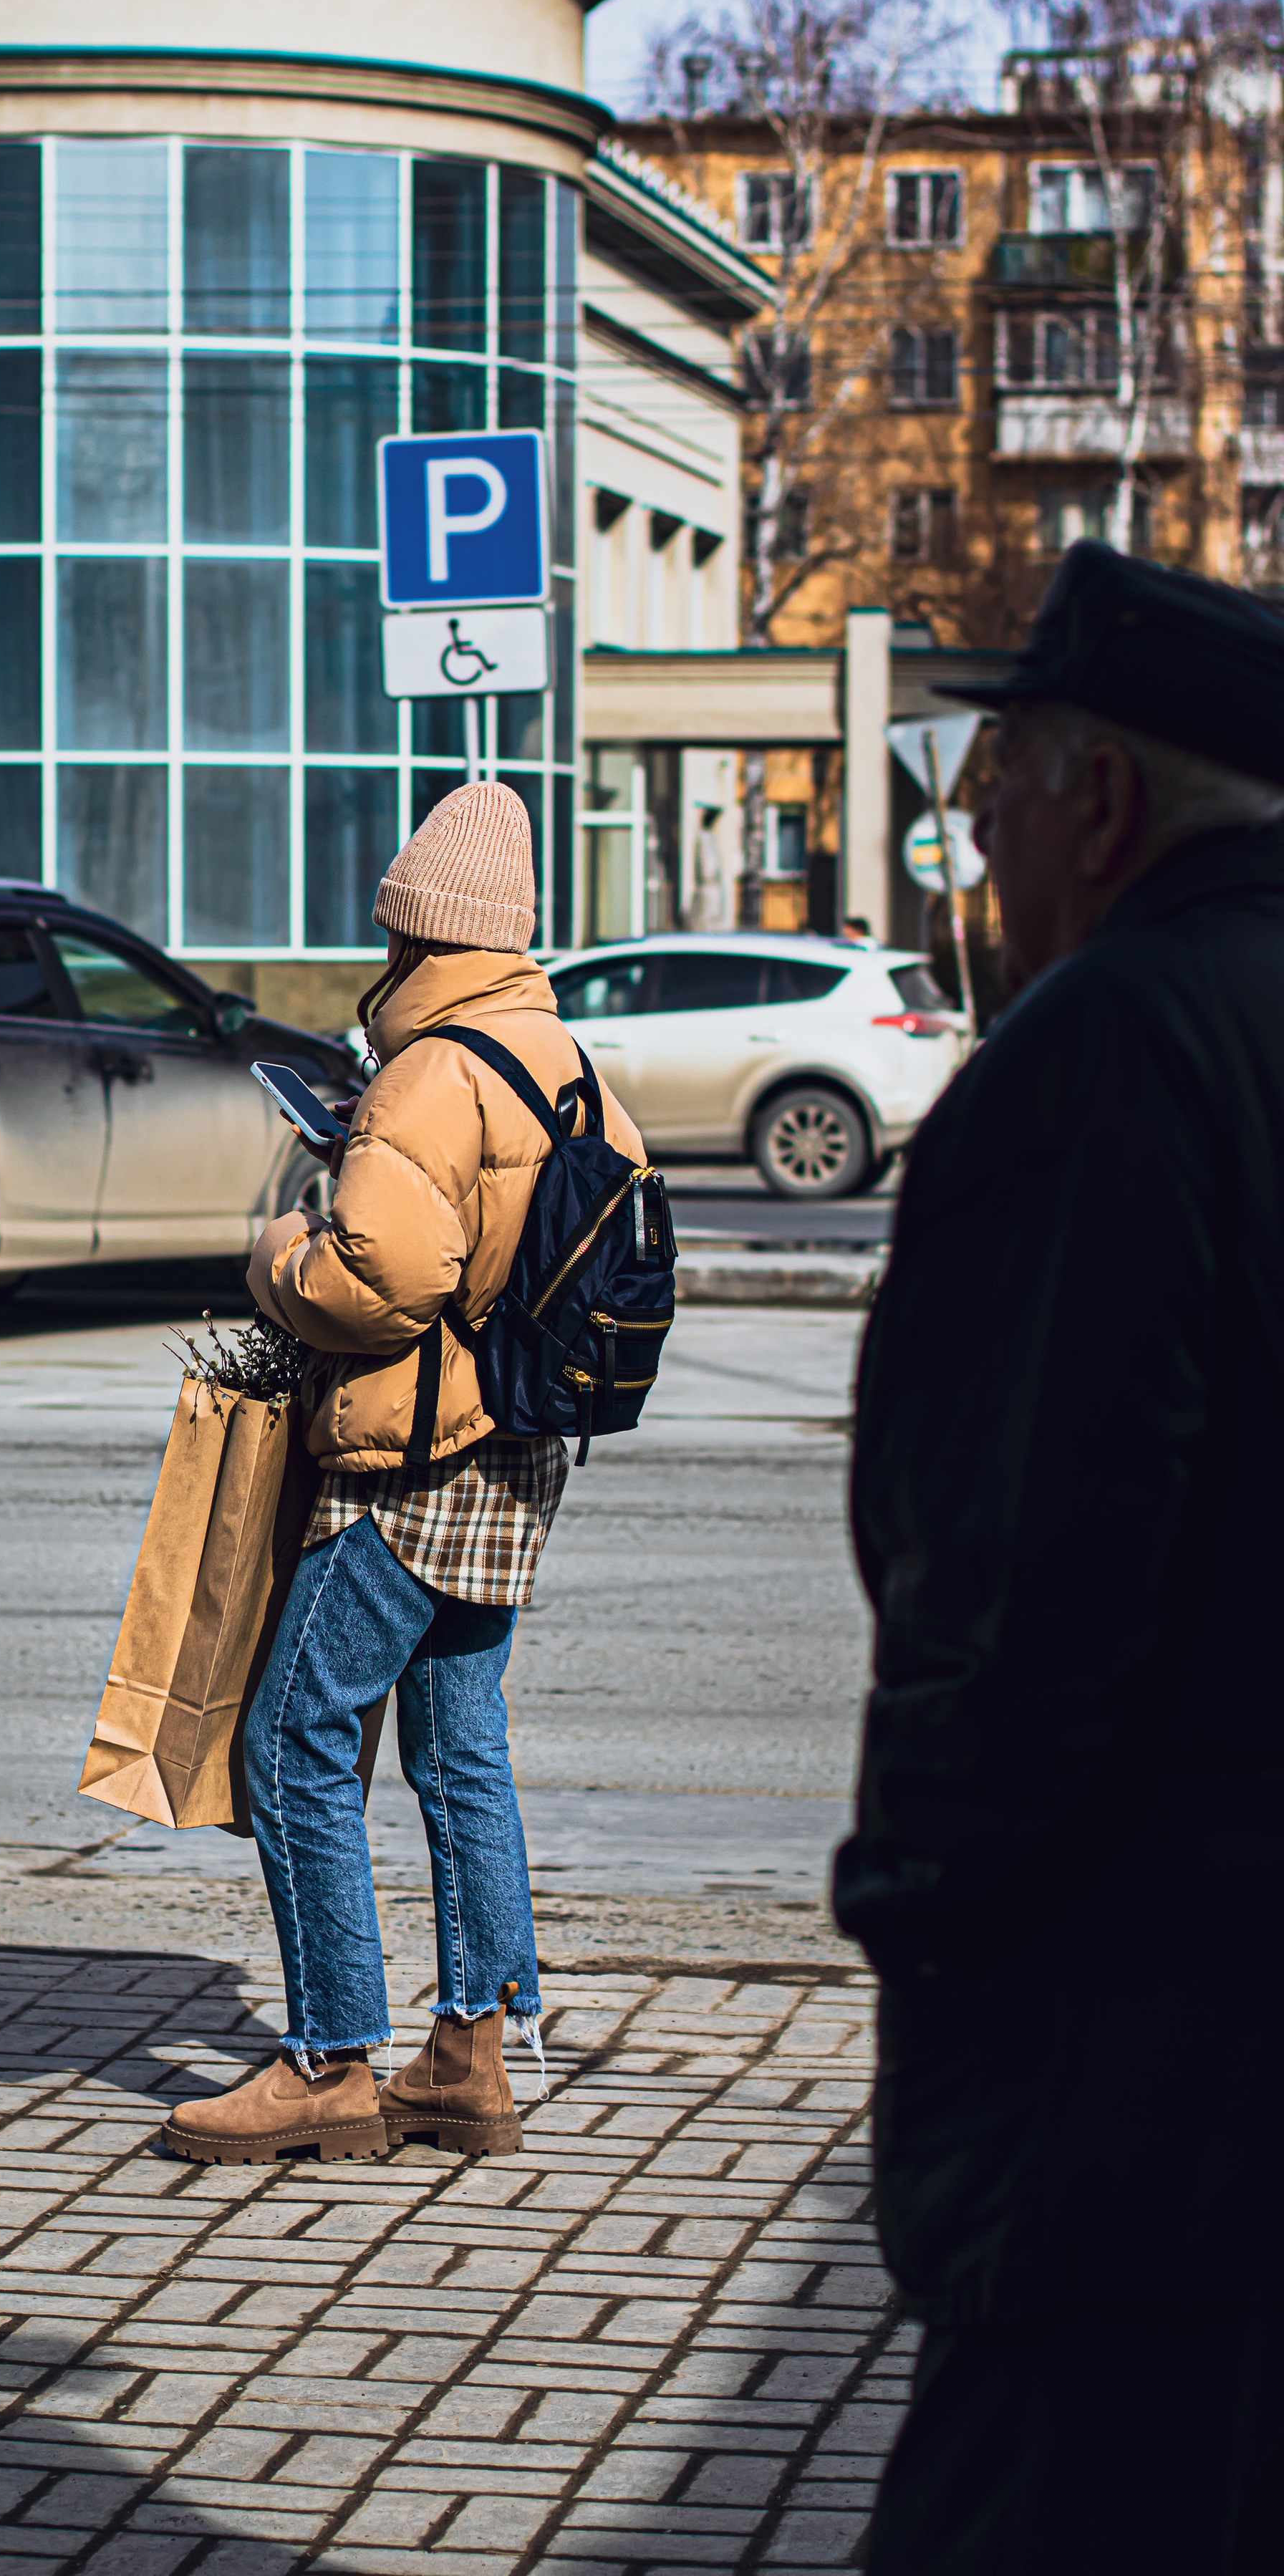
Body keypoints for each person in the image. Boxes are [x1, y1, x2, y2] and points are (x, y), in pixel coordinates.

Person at [834, 539, 1284, 2573]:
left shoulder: (1107, 1058)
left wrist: (924, 1909)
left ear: (1099, 803)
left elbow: (1018, 1595)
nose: (978, 835)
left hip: (1135, 2044)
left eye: (993, 786)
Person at [165, 782, 648, 2166]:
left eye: (392, 935)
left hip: (412, 1461)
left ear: (422, 934)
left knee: (292, 1741)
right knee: (458, 1749)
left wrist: (278, 1256)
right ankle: (473, 2054)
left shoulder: (432, 1071)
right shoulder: (569, 1064)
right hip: (519, 1451)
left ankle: (327, 2060)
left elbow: (386, 1272)